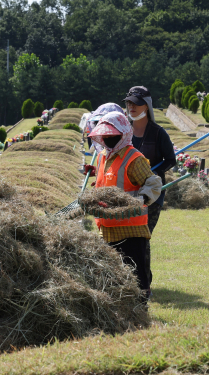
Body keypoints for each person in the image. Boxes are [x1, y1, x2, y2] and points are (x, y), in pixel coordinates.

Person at [87, 112, 162, 302]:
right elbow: (106, 185)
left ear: (123, 134)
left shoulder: (134, 158)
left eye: (112, 135)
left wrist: (140, 199)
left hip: (131, 229)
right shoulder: (104, 156)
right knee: (112, 275)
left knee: (135, 276)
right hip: (108, 227)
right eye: (105, 135)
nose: (107, 139)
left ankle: (140, 309)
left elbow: (153, 184)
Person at [122, 87, 176, 292]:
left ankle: (143, 284)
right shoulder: (124, 131)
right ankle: (133, 280)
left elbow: (170, 160)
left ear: (147, 105)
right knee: (128, 237)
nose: (131, 107)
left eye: (136, 103)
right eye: (129, 103)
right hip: (127, 192)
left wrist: (152, 172)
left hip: (152, 195)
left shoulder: (158, 133)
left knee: (142, 236)